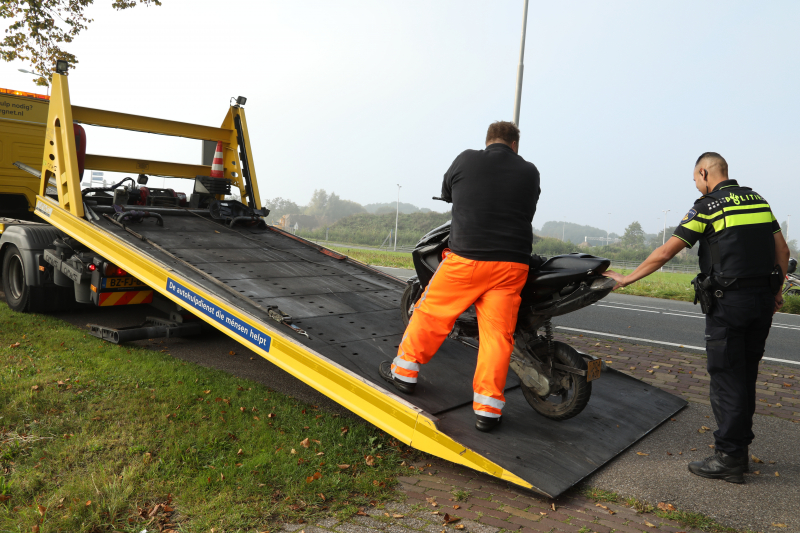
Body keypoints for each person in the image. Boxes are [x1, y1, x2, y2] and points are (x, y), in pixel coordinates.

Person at [603, 152, 790, 484]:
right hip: (763, 302)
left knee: (726, 378)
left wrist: (626, 279)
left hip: (729, 304)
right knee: (746, 376)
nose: (696, 185)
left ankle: (729, 458)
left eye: (695, 179)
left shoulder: (708, 207)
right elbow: (783, 252)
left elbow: (667, 251)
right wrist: (777, 292)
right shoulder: (758, 200)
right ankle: (740, 452)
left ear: (704, 172)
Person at [378, 121, 540, 432]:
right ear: (515, 145)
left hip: (469, 258)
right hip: (512, 266)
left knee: (432, 312)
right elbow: (528, 208)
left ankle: (405, 373)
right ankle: (489, 409)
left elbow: (448, 191)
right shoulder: (530, 171)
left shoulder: (467, 158)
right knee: (496, 337)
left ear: (488, 141)